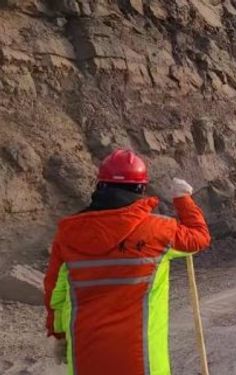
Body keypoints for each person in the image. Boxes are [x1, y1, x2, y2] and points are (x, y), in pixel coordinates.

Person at [43, 149, 211, 375]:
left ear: (100, 185)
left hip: (86, 355)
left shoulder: (69, 233)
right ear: (141, 188)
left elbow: (56, 289)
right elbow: (199, 237)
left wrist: (60, 333)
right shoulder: (159, 231)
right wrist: (183, 200)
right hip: (143, 360)